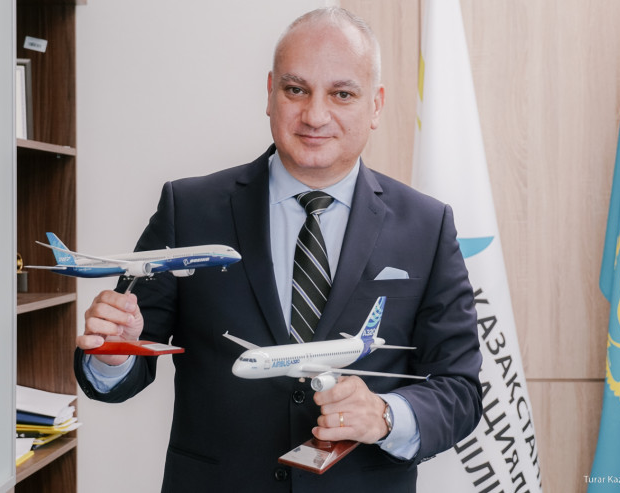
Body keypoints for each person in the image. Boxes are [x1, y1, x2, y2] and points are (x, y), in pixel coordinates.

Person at [75, 7, 482, 492]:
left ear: (375, 106)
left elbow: (459, 389)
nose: (315, 115)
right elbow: (126, 364)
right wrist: (114, 353)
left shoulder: (427, 226)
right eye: (296, 90)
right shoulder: (189, 209)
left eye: (342, 94)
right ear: (270, 93)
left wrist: (385, 415)